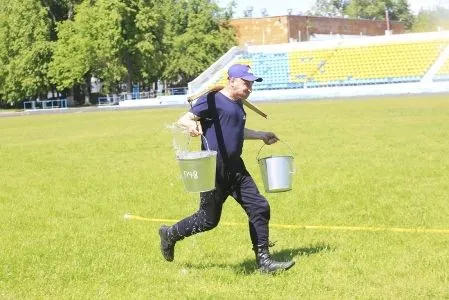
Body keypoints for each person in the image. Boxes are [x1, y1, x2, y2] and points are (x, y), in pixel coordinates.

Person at [159, 64, 295, 273]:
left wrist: (260, 134)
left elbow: (235, 130)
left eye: (251, 83)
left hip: (236, 168)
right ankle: (170, 234)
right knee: (208, 219)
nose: (249, 87)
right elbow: (183, 120)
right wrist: (192, 126)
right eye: (246, 82)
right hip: (214, 170)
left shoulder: (238, 103)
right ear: (231, 80)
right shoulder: (212, 100)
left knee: (259, 207)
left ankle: (264, 262)